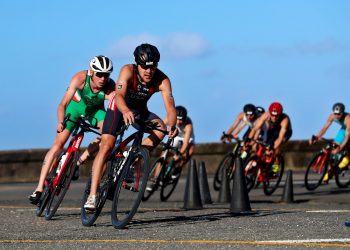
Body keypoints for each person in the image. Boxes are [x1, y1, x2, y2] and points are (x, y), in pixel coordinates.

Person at [84, 43, 177, 211]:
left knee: (160, 128)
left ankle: (131, 157)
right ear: (137, 64)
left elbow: (170, 107)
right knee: (106, 147)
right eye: (144, 67)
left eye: (153, 67)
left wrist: (173, 124)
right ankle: (92, 195)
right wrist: (125, 110)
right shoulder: (128, 70)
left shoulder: (162, 80)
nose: (149, 71)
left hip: (139, 111)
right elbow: (118, 95)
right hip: (119, 108)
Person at [28, 55, 116, 205]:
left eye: (106, 75)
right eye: (99, 74)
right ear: (91, 72)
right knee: (58, 145)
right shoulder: (80, 78)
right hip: (74, 108)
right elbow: (62, 104)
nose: (102, 78)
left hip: (95, 112)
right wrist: (60, 122)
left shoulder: (110, 86)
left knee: (107, 133)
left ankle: (81, 159)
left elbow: (114, 106)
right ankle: (38, 188)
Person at [309, 102, 350, 182]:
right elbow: (324, 128)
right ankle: (330, 171)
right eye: (335, 114)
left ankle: (346, 160)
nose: (337, 116)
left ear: (343, 113)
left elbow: (347, 137)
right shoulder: (332, 116)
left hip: (348, 130)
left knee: (345, 147)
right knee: (334, 146)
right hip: (344, 129)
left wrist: (340, 148)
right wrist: (317, 137)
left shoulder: (348, 119)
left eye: (339, 114)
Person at [246, 102, 292, 171]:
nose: (274, 117)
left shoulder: (285, 120)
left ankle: (276, 165)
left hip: (285, 132)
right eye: (272, 115)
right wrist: (248, 139)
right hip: (273, 130)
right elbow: (255, 128)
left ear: (280, 114)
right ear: (270, 113)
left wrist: (272, 148)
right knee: (263, 144)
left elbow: (280, 138)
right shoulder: (266, 115)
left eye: (277, 116)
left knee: (276, 146)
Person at [165, 105, 195, 179]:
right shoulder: (170, 118)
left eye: (181, 120)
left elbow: (186, 143)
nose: (178, 122)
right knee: (164, 154)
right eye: (177, 119)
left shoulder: (188, 125)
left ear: (185, 119)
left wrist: (180, 154)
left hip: (186, 137)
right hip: (176, 136)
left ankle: (178, 168)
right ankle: (155, 177)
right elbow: (161, 126)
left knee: (190, 152)